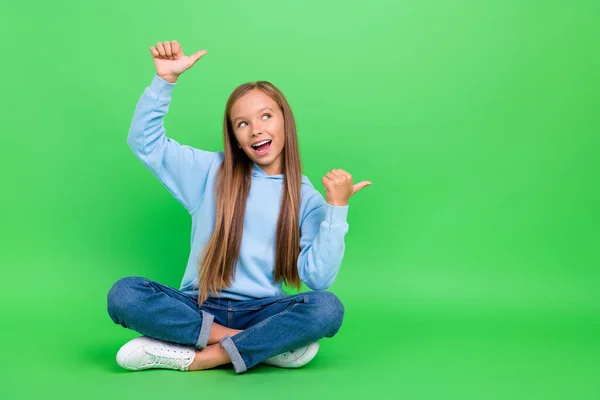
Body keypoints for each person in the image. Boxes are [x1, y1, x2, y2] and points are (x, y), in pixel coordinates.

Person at [106, 40, 372, 374]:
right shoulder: (208, 171)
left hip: (262, 309)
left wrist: (337, 208)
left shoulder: (305, 197)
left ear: (284, 122)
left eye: (266, 116)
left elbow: (318, 279)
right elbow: (144, 143)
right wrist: (165, 81)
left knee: (327, 308)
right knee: (125, 295)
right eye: (242, 123)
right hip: (198, 306)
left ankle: (203, 357)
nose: (256, 128)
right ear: (234, 136)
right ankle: (255, 345)